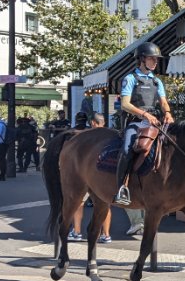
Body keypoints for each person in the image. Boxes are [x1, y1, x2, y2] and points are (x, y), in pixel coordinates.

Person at [113, 42, 173, 240]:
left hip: (155, 122)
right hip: (136, 123)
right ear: (142, 60)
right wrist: (144, 114)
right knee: (126, 150)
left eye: (156, 59)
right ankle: (122, 188)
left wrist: (168, 113)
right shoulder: (130, 78)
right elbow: (125, 104)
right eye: (152, 58)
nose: (155, 62)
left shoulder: (157, 82)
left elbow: (163, 101)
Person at [72, 112, 112, 242]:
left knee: (79, 202)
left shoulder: (87, 137)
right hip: (104, 176)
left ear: (93, 123)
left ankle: (77, 232)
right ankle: (105, 234)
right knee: (105, 205)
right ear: (104, 123)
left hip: (87, 175)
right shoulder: (110, 136)